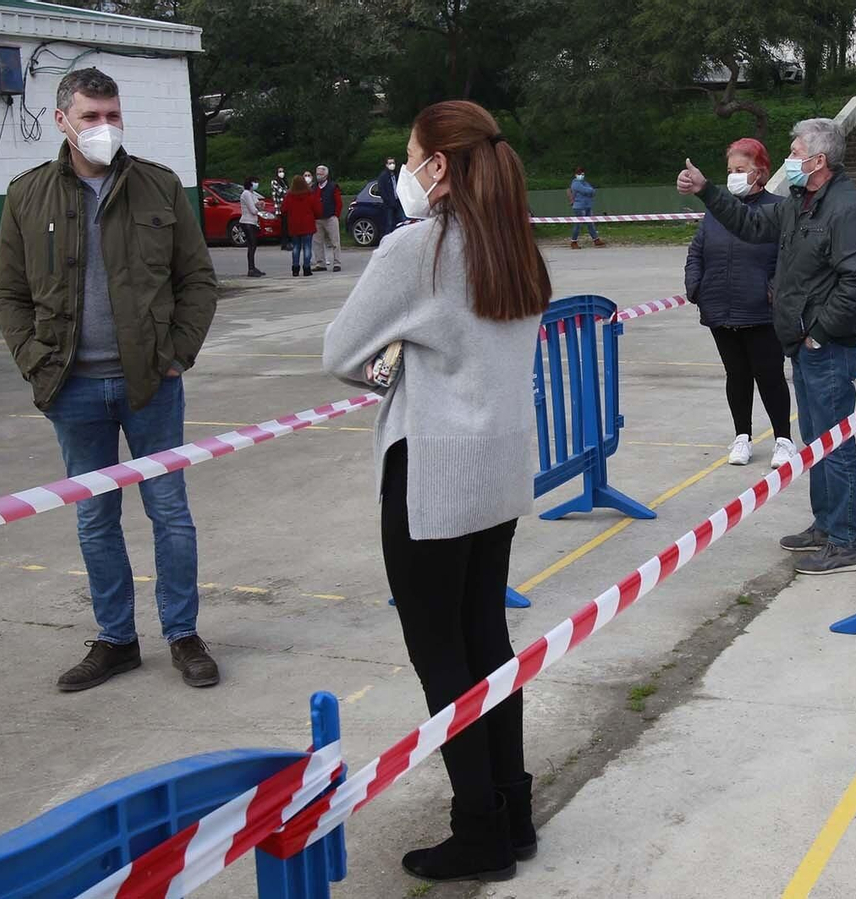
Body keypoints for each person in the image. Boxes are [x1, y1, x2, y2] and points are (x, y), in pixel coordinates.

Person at [323, 99, 549, 885]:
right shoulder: (516, 244)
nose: (404, 171)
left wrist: (390, 367)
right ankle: (513, 809)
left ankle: (478, 827)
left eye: (411, 156)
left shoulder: (417, 248)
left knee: (441, 654)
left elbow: (341, 351)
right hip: (497, 467)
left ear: (439, 167)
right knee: (489, 641)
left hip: (430, 471)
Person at [0, 67, 220, 691]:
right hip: (73, 387)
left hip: (151, 383)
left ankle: (183, 634)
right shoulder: (26, 195)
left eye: (113, 115)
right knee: (95, 518)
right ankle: (116, 640)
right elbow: (7, 293)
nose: (105, 128)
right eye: (91, 117)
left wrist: (177, 354)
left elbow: (197, 280)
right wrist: (38, 363)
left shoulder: (159, 187)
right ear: (61, 119)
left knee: (170, 511)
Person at [678, 118, 856, 577]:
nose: (788, 160)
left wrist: (819, 331)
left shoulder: (845, 209)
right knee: (817, 441)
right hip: (803, 345)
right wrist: (709, 191)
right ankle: (826, 526)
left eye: (794, 152)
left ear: (817, 161)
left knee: (835, 443)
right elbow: (749, 223)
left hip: (824, 346)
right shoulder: (799, 203)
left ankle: (847, 541)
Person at [683, 137, 795, 470]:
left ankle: (783, 440)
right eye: (730, 169)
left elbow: (787, 257)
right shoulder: (716, 213)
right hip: (719, 308)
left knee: (770, 374)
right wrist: (696, 286)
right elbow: (696, 252)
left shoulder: (777, 209)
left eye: (740, 170)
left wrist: (772, 289)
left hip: (761, 311)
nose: (733, 175)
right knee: (737, 375)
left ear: (760, 173)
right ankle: (742, 436)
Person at [284, 174, 319, 276]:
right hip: (307, 224)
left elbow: (284, 209)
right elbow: (316, 209)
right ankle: (307, 268)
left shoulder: (289, 196)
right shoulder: (309, 195)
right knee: (307, 247)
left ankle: (295, 269)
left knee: (296, 247)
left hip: (294, 224)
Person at [312, 164, 343, 272]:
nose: (318, 176)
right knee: (317, 242)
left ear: (326, 175)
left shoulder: (333, 186)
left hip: (330, 217)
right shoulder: (314, 187)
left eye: (320, 174)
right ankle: (320, 263)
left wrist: (336, 215)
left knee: (335, 241)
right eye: (317, 174)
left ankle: (337, 263)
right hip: (317, 219)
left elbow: (338, 202)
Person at [567, 168, 605, 249]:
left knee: (591, 223)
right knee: (578, 225)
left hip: (588, 205)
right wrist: (590, 191)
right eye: (579, 174)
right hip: (579, 207)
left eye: (583, 174)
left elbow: (592, 191)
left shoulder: (585, 182)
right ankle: (573, 242)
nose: (581, 175)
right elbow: (586, 191)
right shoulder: (575, 184)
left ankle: (596, 240)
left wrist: (590, 191)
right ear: (576, 174)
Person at [239, 175, 266, 278]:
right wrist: (258, 209)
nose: (256, 184)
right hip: (247, 221)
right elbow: (253, 209)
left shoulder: (252, 194)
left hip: (252, 222)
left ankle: (253, 267)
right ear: (250, 183)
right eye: (255, 182)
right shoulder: (246, 194)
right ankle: (251, 268)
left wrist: (260, 205)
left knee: (253, 245)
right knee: (252, 245)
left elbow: (258, 204)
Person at [376, 155, 406, 235]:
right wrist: (389, 201)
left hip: (398, 202)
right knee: (389, 223)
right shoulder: (383, 176)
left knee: (402, 221)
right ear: (386, 165)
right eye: (390, 163)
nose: (392, 165)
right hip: (389, 205)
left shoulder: (396, 175)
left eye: (393, 163)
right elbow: (382, 191)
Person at [272, 166, 290, 250]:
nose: (281, 173)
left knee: (287, 225)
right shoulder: (274, 182)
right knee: (284, 226)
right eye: (279, 171)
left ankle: (287, 242)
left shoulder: (284, 181)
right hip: (280, 207)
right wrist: (290, 192)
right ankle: (284, 243)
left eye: (282, 171)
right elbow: (281, 192)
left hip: (287, 206)